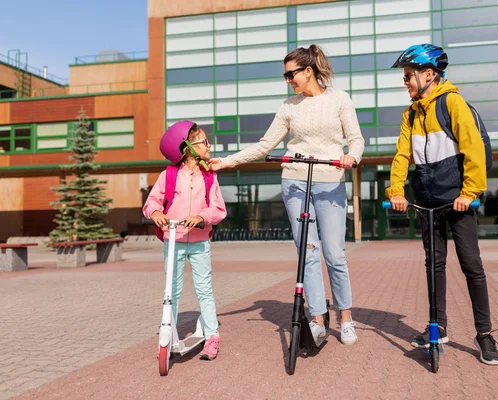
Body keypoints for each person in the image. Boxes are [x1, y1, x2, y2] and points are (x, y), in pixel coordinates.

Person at [209, 44, 365, 346]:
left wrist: (352, 156)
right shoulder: (289, 106)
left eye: (290, 74)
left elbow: (356, 139)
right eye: (285, 75)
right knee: (306, 251)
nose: (287, 79)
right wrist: (227, 161)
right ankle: (318, 317)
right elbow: (265, 145)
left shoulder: (339, 100)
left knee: (334, 253)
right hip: (295, 180)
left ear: (308, 71)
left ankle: (345, 316)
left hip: (330, 179)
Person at [385, 44, 498, 365]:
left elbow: (473, 149)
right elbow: (402, 156)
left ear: (429, 74)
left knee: (471, 266)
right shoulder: (410, 114)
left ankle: (485, 335)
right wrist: (396, 191)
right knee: (433, 266)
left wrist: (470, 192)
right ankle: (439, 326)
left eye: (408, 75)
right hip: (426, 202)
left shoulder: (452, 103)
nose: (405, 81)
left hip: (458, 201)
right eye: (405, 76)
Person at [143, 121, 227, 360]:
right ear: (189, 147)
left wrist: (202, 216)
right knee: (172, 291)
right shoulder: (168, 175)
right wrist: (156, 213)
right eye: (204, 142)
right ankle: (168, 331)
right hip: (174, 240)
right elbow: (152, 203)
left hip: (199, 242)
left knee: (204, 290)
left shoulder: (209, 176)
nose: (209, 146)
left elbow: (219, 209)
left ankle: (212, 336)